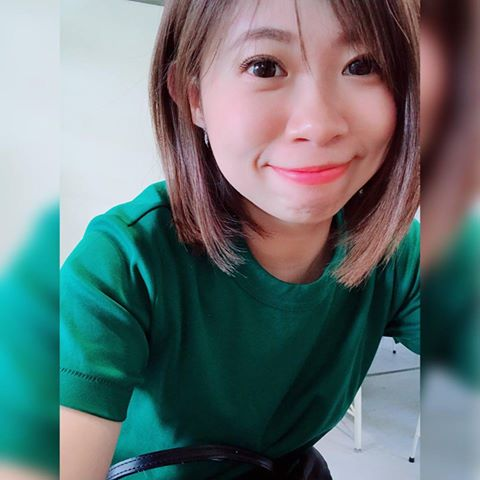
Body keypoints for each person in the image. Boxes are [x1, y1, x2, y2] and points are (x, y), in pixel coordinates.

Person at [60, 0, 419, 479]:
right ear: (193, 97)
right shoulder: (121, 266)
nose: (319, 125)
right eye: (264, 66)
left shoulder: (395, 252)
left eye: (362, 65)